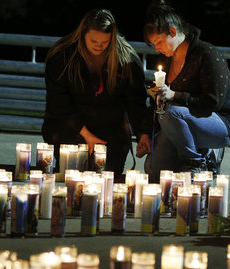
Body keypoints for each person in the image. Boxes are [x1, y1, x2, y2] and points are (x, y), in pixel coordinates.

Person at [42, 8, 153, 182]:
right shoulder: (63, 57)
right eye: (94, 40)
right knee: (74, 180)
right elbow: (58, 102)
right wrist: (86, 135)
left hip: (111, 133)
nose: (99, 46)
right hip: (69, 129)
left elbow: (135, 100)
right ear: (83, 33)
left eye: (105, 42)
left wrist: (142, 133)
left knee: (105, 182)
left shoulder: (126, 60)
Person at [142, 1, 230, 182]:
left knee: (170, 112)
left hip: (219, 122)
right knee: (154, 171)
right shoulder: (166, 59)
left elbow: (213, 102)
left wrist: (174, 95)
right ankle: (197, 152)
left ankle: (195, 161)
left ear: (172, 32)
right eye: (153, 44)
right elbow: (159, 105)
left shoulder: (206, 54)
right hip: (178, 121)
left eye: (158, 41)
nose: (157, 48)